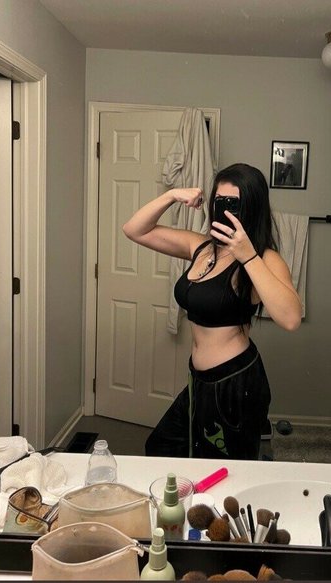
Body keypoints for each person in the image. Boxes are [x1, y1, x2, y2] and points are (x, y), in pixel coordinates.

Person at [122, 163, 302, 460]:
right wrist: (171, 196)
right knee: (162, 446)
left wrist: (248, 256)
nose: (226, 210)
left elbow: (291, 319)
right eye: (220, 201)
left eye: (234, 203)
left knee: (228, 468)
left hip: (236, 385)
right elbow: (134, 230)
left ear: (251, 208)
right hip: (199, 381)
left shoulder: (265, 258)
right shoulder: (201, 246)